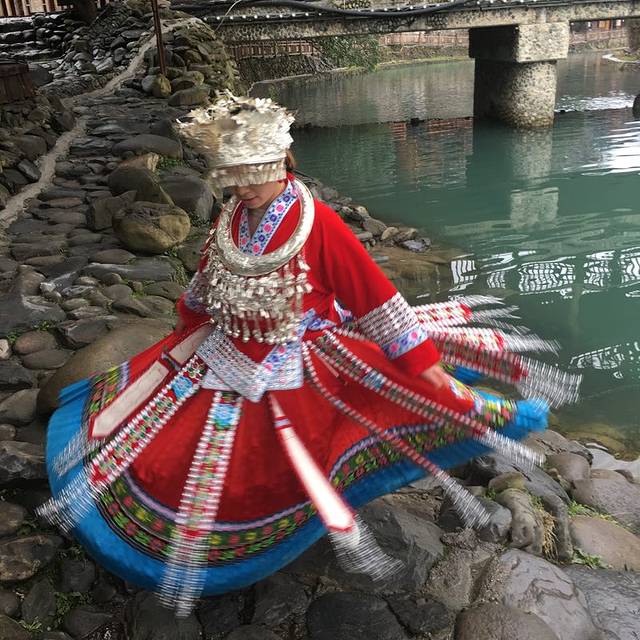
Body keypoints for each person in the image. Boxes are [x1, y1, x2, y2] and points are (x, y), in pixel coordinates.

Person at [39, 94, 580, 617]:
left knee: (274, 460)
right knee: (169, 450)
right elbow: (209, 274)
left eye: (252, 175)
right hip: (222, 348)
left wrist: (423, 365)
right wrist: (192, 316)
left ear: (280, 162)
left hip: (293, 358)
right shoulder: (232, 215)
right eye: (233, 176)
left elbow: (375, 299)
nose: (243, 187)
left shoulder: (317, 222)